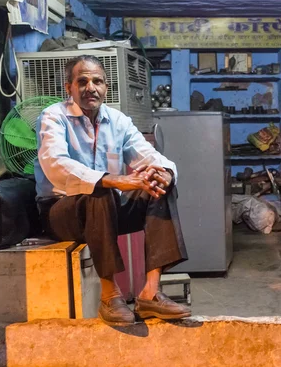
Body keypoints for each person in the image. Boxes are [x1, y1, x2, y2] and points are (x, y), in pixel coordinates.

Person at [34, 55, 190, 325]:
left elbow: (148, 155)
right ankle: (110, 295)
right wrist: (113, 179)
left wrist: (164, 172)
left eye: (97, 81)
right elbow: (55, 164)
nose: (90, 87)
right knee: (101, 188)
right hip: (61, 213)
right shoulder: (53, 117)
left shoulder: (117, 120)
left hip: (106, 213)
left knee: (157, 186)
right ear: (68, 88)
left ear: (106, 87)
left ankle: (150, 292)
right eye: (82, 81)